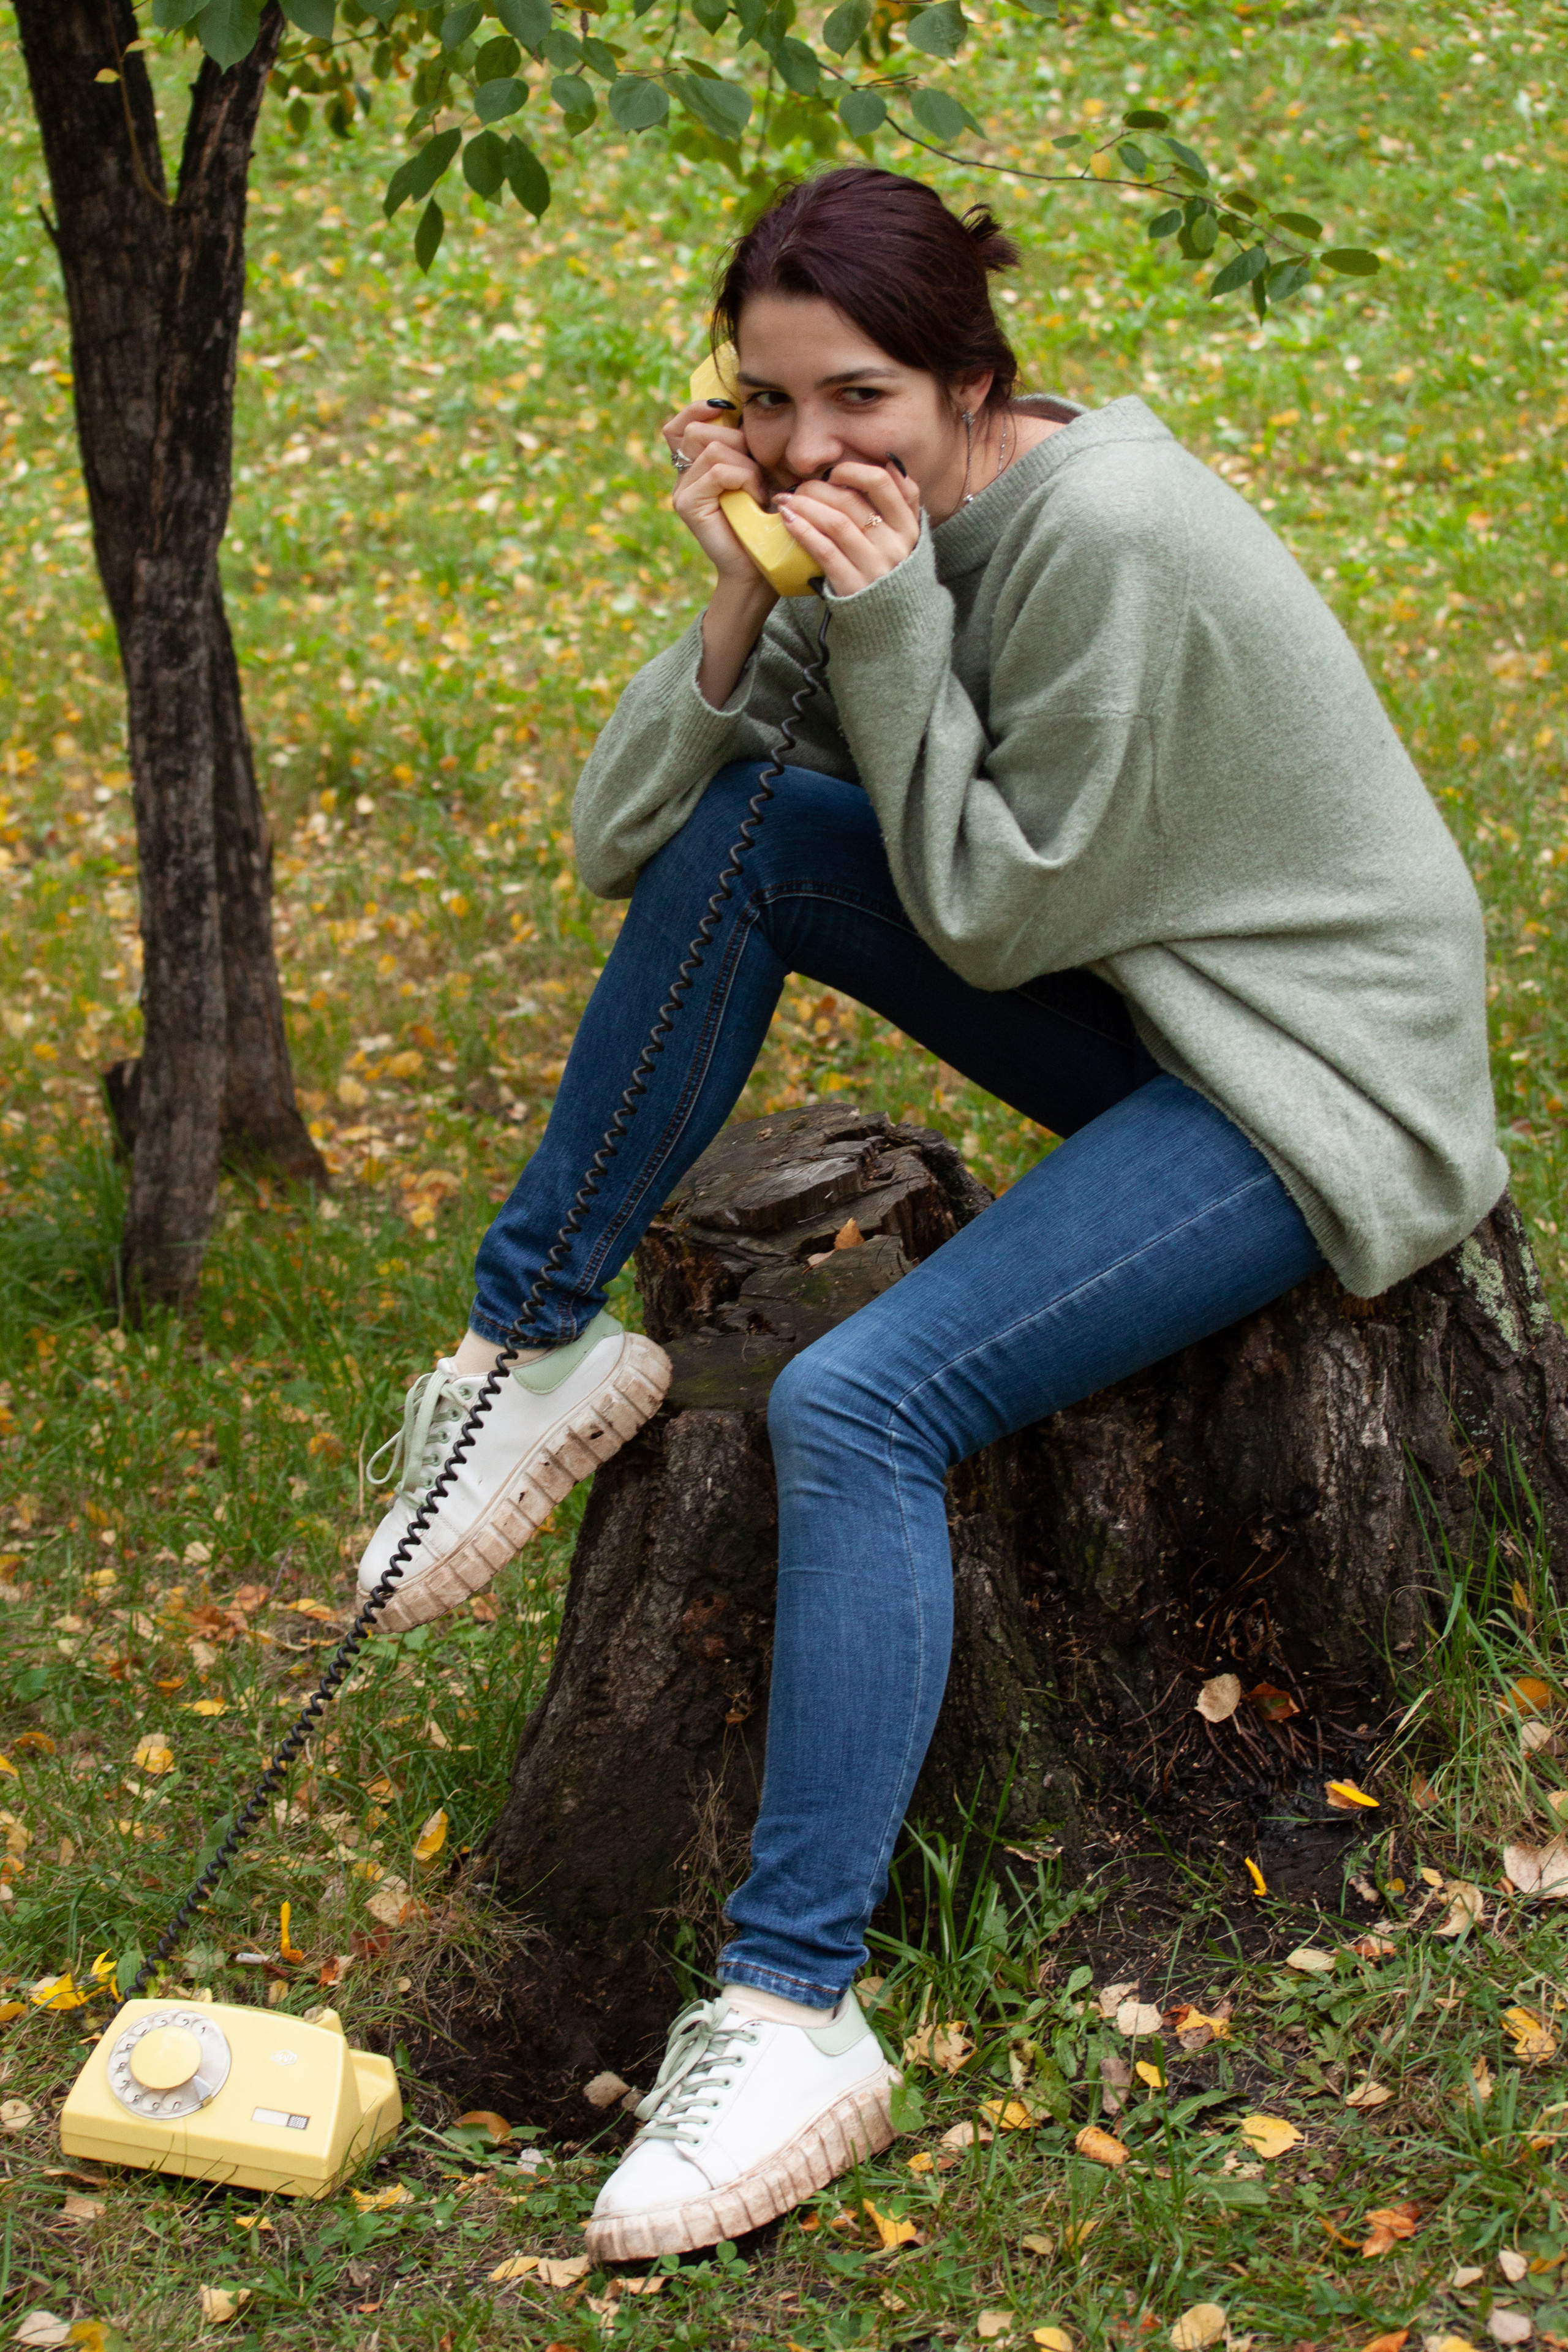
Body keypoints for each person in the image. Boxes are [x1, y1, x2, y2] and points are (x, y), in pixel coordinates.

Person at [355, 167, 1505, 2259]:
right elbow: (641, 831)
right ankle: (529, 1348)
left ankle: (798, 2016)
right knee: (745, 849)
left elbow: (986, 903)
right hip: (1149, 992)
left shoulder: (1109, 538)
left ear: (976, 378)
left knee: (857, 1409)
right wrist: (738, 585)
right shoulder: (872, 521)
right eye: (772, 405)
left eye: (861, 397)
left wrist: (869, 615)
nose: (814, 451)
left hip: (1304, 1082)